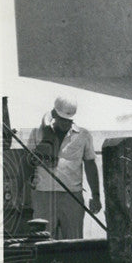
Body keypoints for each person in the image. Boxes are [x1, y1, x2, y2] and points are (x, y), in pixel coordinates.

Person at [26, 96, 100, 239]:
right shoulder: (37, 133)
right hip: (43, 195)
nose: (66, 123)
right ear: (54, 114)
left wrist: (95, 196)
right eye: (62, 119)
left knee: (74, 241)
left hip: (72, 196)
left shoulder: (84, 135)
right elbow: (27, 162)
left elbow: (90, 165)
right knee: (42, 241)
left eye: (69, 120)